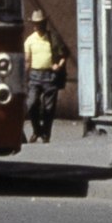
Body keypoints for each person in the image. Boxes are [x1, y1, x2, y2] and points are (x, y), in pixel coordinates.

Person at [22, 11, 69, 143]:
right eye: (36, 24)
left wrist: (58, 66)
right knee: (31, 104)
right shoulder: (30, 40)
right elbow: (27, 60)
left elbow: (64, 55)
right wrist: (24, 77)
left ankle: (45, 134)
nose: (38, 26)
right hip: (35, 75)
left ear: (45, 23)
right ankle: (37, 130)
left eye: (40, 23)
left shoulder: (53, 38)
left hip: (50, 75)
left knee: (48, 108)